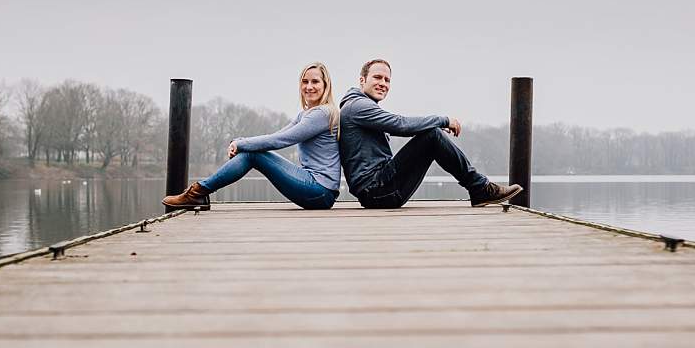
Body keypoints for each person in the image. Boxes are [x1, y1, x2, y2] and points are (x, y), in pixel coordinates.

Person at [338, 59, 521, 209]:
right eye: (377, 77)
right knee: (432, 135)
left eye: (387, 80)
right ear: (362, 80)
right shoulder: (357, 106)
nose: (383, 84)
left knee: (431, 135)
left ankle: (480, 188)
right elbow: (401, 125)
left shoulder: (359, 106)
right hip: (376, 192)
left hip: (379, 190)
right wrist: (443, 120)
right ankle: (480, 188)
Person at [163, 62, 341, 211]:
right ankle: (198, 194)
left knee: (251, 154)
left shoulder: (323, 114)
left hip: (320, 191)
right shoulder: (307, 114)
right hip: (316, 188)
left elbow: (281, 141)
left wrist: (241, 144)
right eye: (305, 82)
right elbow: (277, 135)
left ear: (326, 85)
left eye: (315, 82)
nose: (309, 87)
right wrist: (241, 141)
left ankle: (197, 193)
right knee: (251, 151)